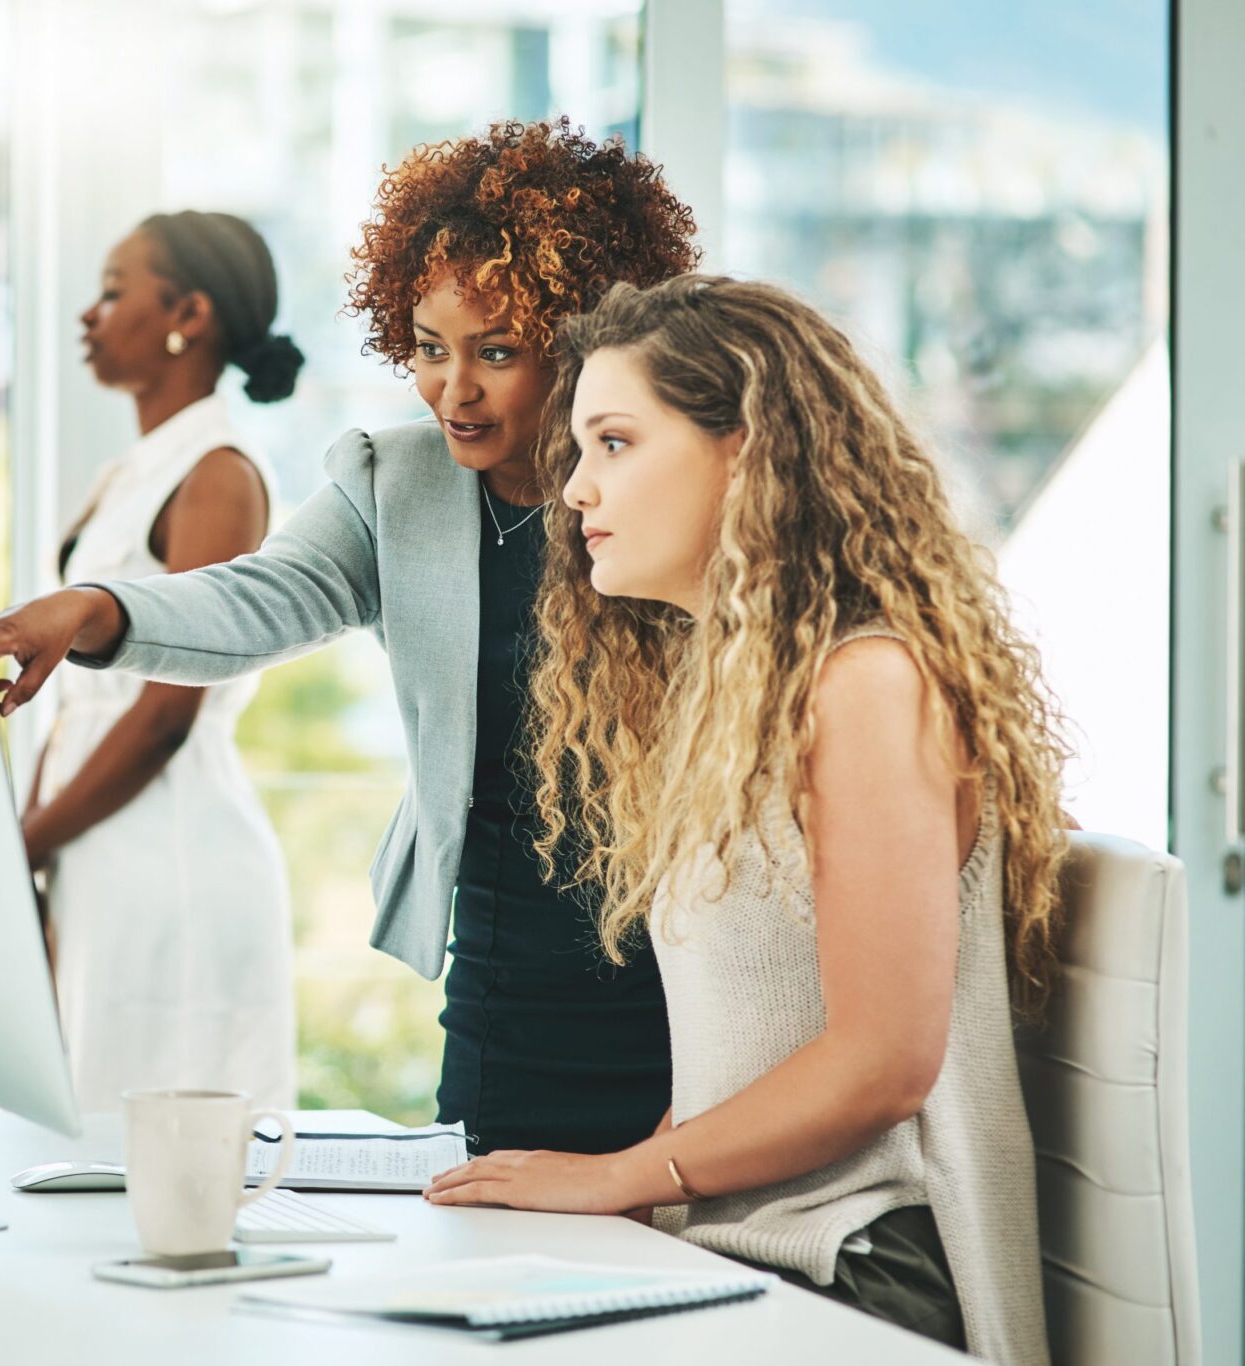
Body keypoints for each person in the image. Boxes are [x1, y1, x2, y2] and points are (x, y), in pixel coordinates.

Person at [0, 120, 699, 1152]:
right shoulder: (392, 483)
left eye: (494, 352)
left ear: (586, 342)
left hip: (680, 979)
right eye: (426, 349)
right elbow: (258, 598)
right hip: (502, 977)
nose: (453, 390)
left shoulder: (658, 486)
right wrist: (98, 609)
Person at [423, 276, 1062, 1364]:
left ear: (748, 448)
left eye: (613, 443)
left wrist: (613, 1175)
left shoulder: (866, 682)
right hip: (739, 1250)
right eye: (579, 450)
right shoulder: (737, 700)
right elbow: (746, 1054)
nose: (572, 490)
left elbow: (878, 1063)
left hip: (856, 1267)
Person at [26, 211, 305, 1110]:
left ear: (188, 311)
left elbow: (164, 712)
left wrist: (22, 845)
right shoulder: (139, 467)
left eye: (113, 291)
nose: (88, 316)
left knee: (144, 1159)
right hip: (100, 843)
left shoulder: (216, 471)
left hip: (169, 857)